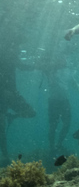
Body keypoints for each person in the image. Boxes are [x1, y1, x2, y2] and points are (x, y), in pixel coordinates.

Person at [35, 53, 79, 156]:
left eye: (64, 59)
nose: (63, 61)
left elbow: (73, 81)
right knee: (53, 125)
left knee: (67, 123)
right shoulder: (50, 69)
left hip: (65, 101)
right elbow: (40, 65)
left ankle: (59, 144)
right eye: (61, 58)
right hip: (53, 101)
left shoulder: (67, 70)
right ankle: (52, 148)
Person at [0, 32, 36, 166]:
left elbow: (21, 66)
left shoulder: (9, 54)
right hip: (5, 94)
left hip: (11, 93)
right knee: (2, 128)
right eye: (17, 45)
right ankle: (5, 156)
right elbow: (21, 66)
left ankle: (11, 117)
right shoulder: (6, 54)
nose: (18, 48)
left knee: (32, 112)